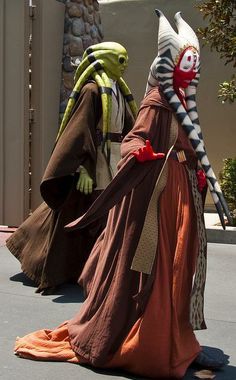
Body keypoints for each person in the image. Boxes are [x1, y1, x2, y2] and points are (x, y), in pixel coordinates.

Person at [14, 10, 229, 378]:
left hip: (178, 193)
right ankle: (147, 339)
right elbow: (133, 137)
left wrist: (199, 174)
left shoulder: (175, 101)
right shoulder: (151, 100)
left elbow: (189, 146)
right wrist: (136, 153)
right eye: (187, 62)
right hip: (152, 195)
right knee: (154, 266)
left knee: (178, 266)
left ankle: (178, 338)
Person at [6, 42, 137, 295]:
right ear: (105, 60)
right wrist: (81, 168)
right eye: (121, 59)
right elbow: (78, 130)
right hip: (94, 165)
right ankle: (46, 262)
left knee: (93, 216)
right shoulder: (92, 90)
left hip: (112, 164)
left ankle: (93, 269)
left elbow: (130, 127)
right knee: (75, 217)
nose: (126, 64)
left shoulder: (118, 91)